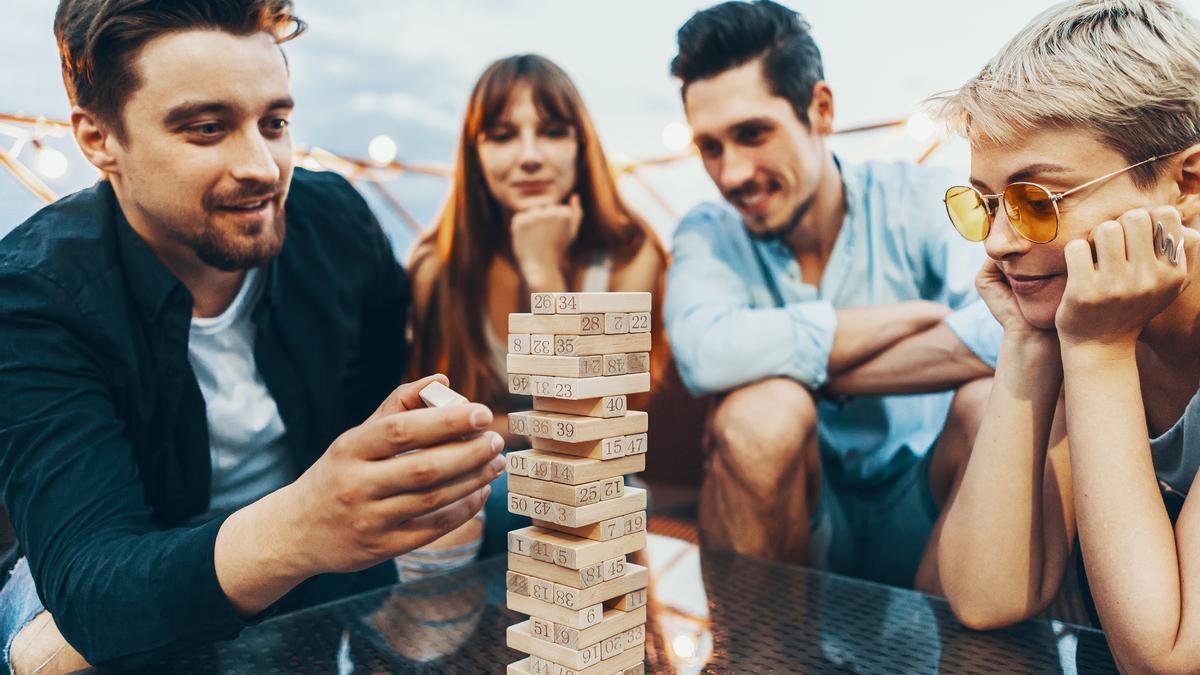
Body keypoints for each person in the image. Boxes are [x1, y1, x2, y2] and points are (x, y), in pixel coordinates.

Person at [0, 1, 507, 671]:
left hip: (319, 544)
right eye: (208, 128)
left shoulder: (335, 223)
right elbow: (95, 581)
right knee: (62, 651)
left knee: (526, 504)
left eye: (274, 123)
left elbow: (373, 404)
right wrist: (306, 524)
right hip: (123, 559)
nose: (264, 167)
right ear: (99, 140)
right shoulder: (34, 293)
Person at [664, 0, 1002, 591]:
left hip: (925, 495)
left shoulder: (917, 198)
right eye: (710, 147)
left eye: (752, 134)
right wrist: (906, 319)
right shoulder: (706, 231)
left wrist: (826, 372)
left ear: (821, 110)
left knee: (989, 401)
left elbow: (1008, 326)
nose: (732, 173)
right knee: (761, 411)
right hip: (793, 505)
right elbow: (703, 353)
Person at [931, 1, 1200, 671]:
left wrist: (1098, 352)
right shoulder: (1086, 313)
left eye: (1037, 201)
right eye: (986, 203)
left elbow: (1164, 658)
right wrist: (1028, 346)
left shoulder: (1101, 333)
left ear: (1187, 183)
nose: (998, 241)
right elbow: (985, 594)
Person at [408, 54, 670, 446]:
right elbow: (427, 417)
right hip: (473, 475)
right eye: (501, 135)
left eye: (551, 132)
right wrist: (528, 427)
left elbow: (597, 422)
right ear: (474, 156)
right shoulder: (437, 267)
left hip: (591, 476)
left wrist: (543, 270)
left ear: (581, 146)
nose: (529, 156)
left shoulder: (631, 254)